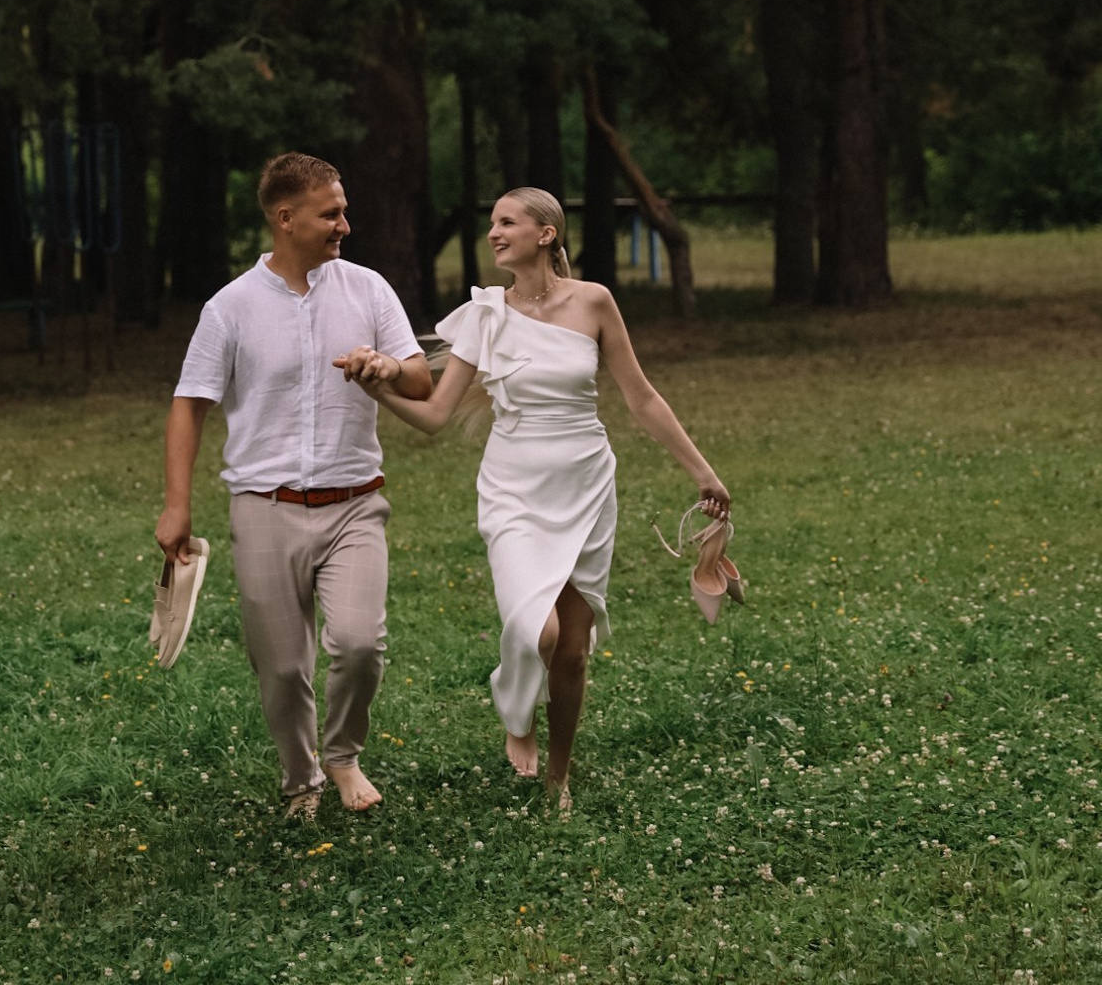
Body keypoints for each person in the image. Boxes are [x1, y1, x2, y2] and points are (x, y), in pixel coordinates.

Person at [337, 188, 729, 813]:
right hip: (514, 488)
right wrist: (375, 388)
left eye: (507, 222)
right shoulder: (484, 315)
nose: (494, 232)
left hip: (585, 482)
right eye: (491, 222)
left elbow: (641, 398)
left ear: (546, 234)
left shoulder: (594, 302)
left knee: (571, 649)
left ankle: (560, 775)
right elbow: (436, 414)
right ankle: (517, 706)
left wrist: (703, 473)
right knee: (536, 629)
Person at [155, 152, 431, 819]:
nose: (345, 224)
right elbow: (190, 405)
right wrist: (177, 505)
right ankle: (299, 778)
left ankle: (341, 756)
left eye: (343, 210)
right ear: (286, 218)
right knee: (282, 668)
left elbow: (423, 382)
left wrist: (385, 368)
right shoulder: (230, 309)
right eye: (330, 213)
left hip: (355, 503)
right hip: (264, 508)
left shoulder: (368, 290)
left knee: (360, 643)